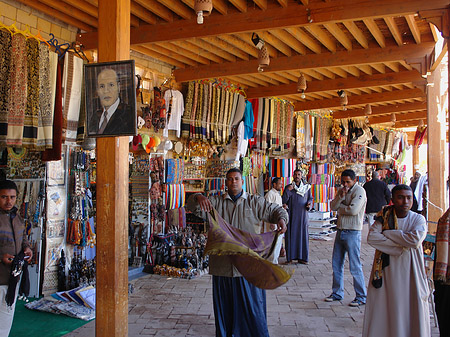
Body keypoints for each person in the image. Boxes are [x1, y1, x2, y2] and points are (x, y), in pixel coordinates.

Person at [185, 168, 288, 337]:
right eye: (230, 179)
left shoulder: (255, 202)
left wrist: (282, 219)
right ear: (225, 182)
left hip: (248, 267)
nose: (233, 182)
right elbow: (193, 207)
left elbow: (276, 210)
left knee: (252, 309)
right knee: (225, 309)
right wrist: (197, 196)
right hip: (223, 266)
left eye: (236, 179)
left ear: (242, 181)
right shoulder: (215, 203)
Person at [363, 185, 430, 337]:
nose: (405, 201)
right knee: (387, 308)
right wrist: (400, 246)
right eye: (400, 197)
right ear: (392, 200)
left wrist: (388, 233)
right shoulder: (384, 217)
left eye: (409, 198)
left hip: (411, 270)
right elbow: (372, 237)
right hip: (388, 271)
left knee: (411, 307)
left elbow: (414, 240)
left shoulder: (418, 219)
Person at [326, 169, 367, 307]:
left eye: (348, 182)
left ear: (354, 180)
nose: (345, 184)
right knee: (336, 263)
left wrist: (340, 208)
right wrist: (341, 198)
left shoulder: (359, 192)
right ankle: (337, 293)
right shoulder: (342, 191)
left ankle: (361, 296)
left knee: (355, 265)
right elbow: (332, 206)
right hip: (340, 230)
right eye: (343, 182)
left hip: (353, 232)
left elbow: (353, 210)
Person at [0, 180, 32, 337]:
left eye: (12, 197)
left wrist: (27, 248)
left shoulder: (16, 217)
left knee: (6, 318)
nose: (9, 201)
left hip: (12, 278)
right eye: (4, 197)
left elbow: (23, 237)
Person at [88, 68, 135, 136]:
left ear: (118, 87)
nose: (106, 91)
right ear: (97, 90)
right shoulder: (95, 117)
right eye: (102, 86)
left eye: (111, 85)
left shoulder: (128, 115)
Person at [282, 169, 312, 265]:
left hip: (302, 216)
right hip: (292, 216)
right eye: (295, 175)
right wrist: (288, 191)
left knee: (303, 236)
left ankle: (302, 257)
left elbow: (310, 198)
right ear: (293, 176)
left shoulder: (306, 188)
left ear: (301, 176)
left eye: (298, 174)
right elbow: (284, 200)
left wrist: (309, 204)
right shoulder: (289, 187)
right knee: (291, 235)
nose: (297, 176)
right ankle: (290, 257)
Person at [263, 177, 284, 264]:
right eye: (279, 184)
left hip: (278, 223)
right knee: (273, 243)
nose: (281, 185)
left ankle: (274, 261)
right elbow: (267, 209)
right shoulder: (270, 194)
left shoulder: (277, 194)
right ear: (274, 184)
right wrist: (271, 222)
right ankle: (271, 262)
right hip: (273, 224)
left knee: (277, 243)